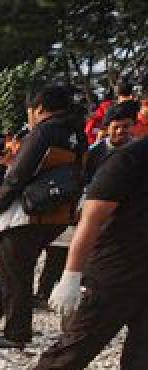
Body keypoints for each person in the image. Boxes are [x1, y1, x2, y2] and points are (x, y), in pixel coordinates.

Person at [8, 136, 148, 370]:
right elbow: (93, 217)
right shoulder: (131, 159)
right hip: (116, 268)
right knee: (78, 345)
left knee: (145, 361)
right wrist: (71, 275)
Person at [0, 84, 87, 349]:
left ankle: (17, 333)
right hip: (57, 213)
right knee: (13, 267)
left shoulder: (44, 130)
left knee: (16, 274)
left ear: (40, 109)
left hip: (29, 212)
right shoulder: (76, 133)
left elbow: (17, 177)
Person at [37, 99, 140, 306]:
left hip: (123, 216)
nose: (121, 131)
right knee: (60, 254)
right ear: (107, 127)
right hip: (88, 210)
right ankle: (46, 294)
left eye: (126, 126)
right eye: (116, 127)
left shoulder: (137, 153)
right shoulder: (94, 152)